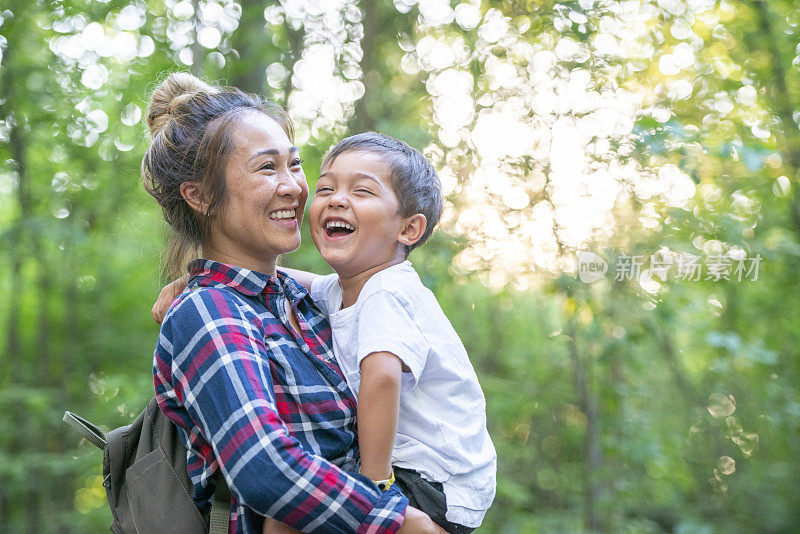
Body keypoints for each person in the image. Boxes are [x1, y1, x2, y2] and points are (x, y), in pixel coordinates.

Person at [142, 72, 444, 534]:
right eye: (267, 168)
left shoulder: (302, 301)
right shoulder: (207, 314)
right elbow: (265, 467)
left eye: (295, 165)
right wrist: (403, 523)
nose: (294, 188)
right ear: (199, 196)